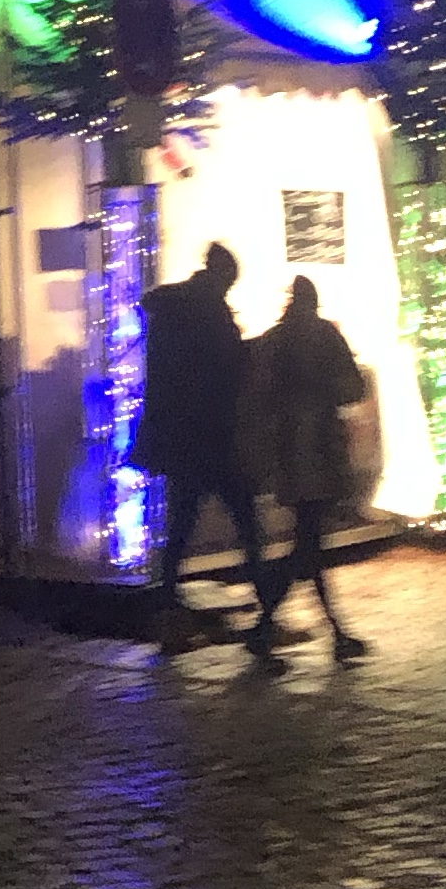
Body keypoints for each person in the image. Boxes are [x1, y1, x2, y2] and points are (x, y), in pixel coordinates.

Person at [136, 240, 278, 650]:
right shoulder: (209, 311)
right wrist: (256, 347)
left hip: (182, 438)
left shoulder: (175, 307)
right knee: (246, 522)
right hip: (213, 436)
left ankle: (167, 604)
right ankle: (267, 608)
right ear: (222, 276)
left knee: (181, 525)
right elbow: (228, 368)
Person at [244, 275, 372, 665]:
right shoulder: (324, 336)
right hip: (319, 452)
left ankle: (275, 628)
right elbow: (352, 389)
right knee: (308, 546)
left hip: (290, 453)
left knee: (307, 544)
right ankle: (277, 628)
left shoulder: (274, 340)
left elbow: (258, 396)